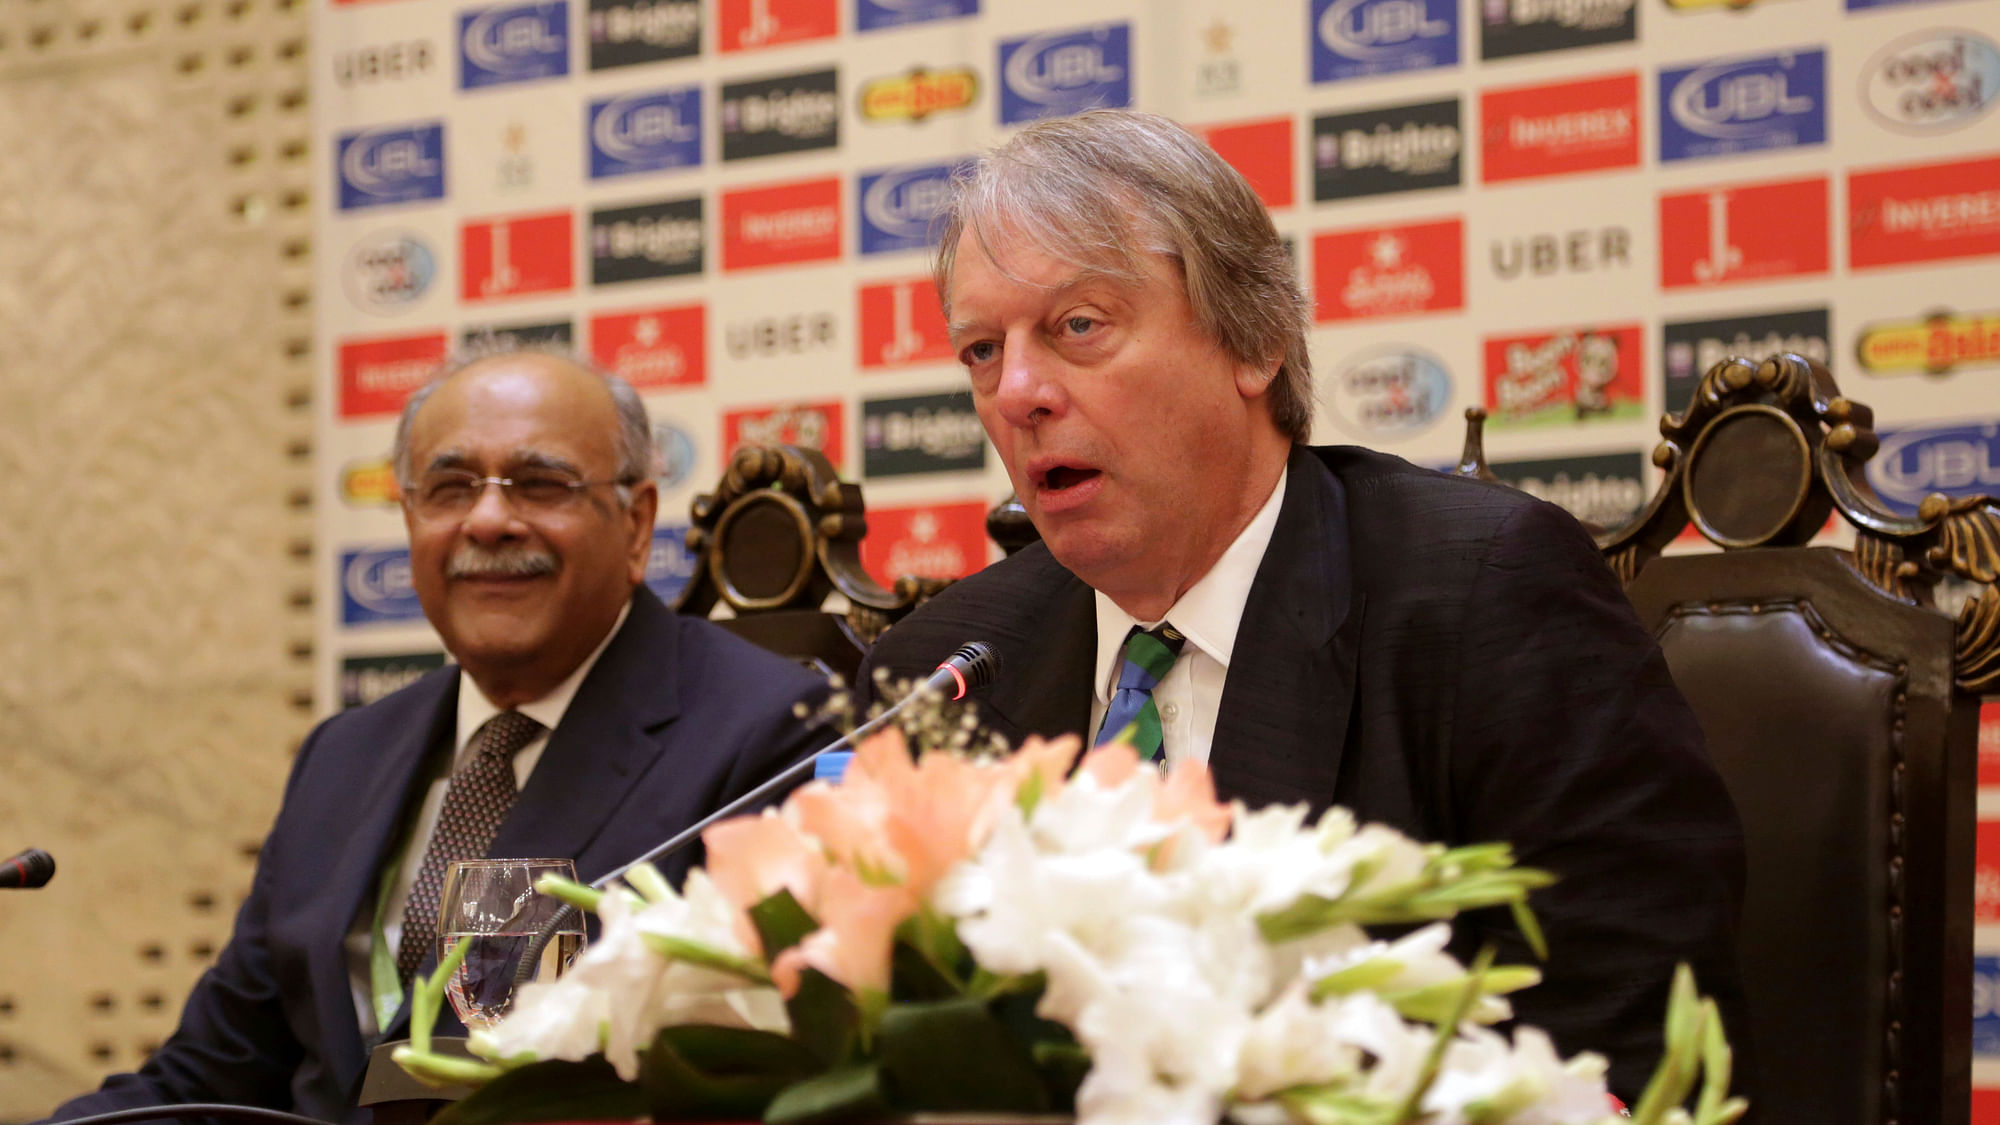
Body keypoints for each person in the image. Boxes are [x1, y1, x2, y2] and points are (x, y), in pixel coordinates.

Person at [858, 109, 1747, 1102]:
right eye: (982, 350)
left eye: (1076, 327)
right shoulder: (938, 672)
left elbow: (1621, 1039)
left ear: (1257, 341)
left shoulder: (1481, 597)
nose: (1018, 390)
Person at [46, 348, 830, 1120]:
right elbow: (213, 1076)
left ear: (636, 524)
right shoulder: (342, 757)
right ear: (410, 517)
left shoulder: (765, 735)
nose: (488, 520)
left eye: (540, 482)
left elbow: (769, 1077)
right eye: (450, 488)